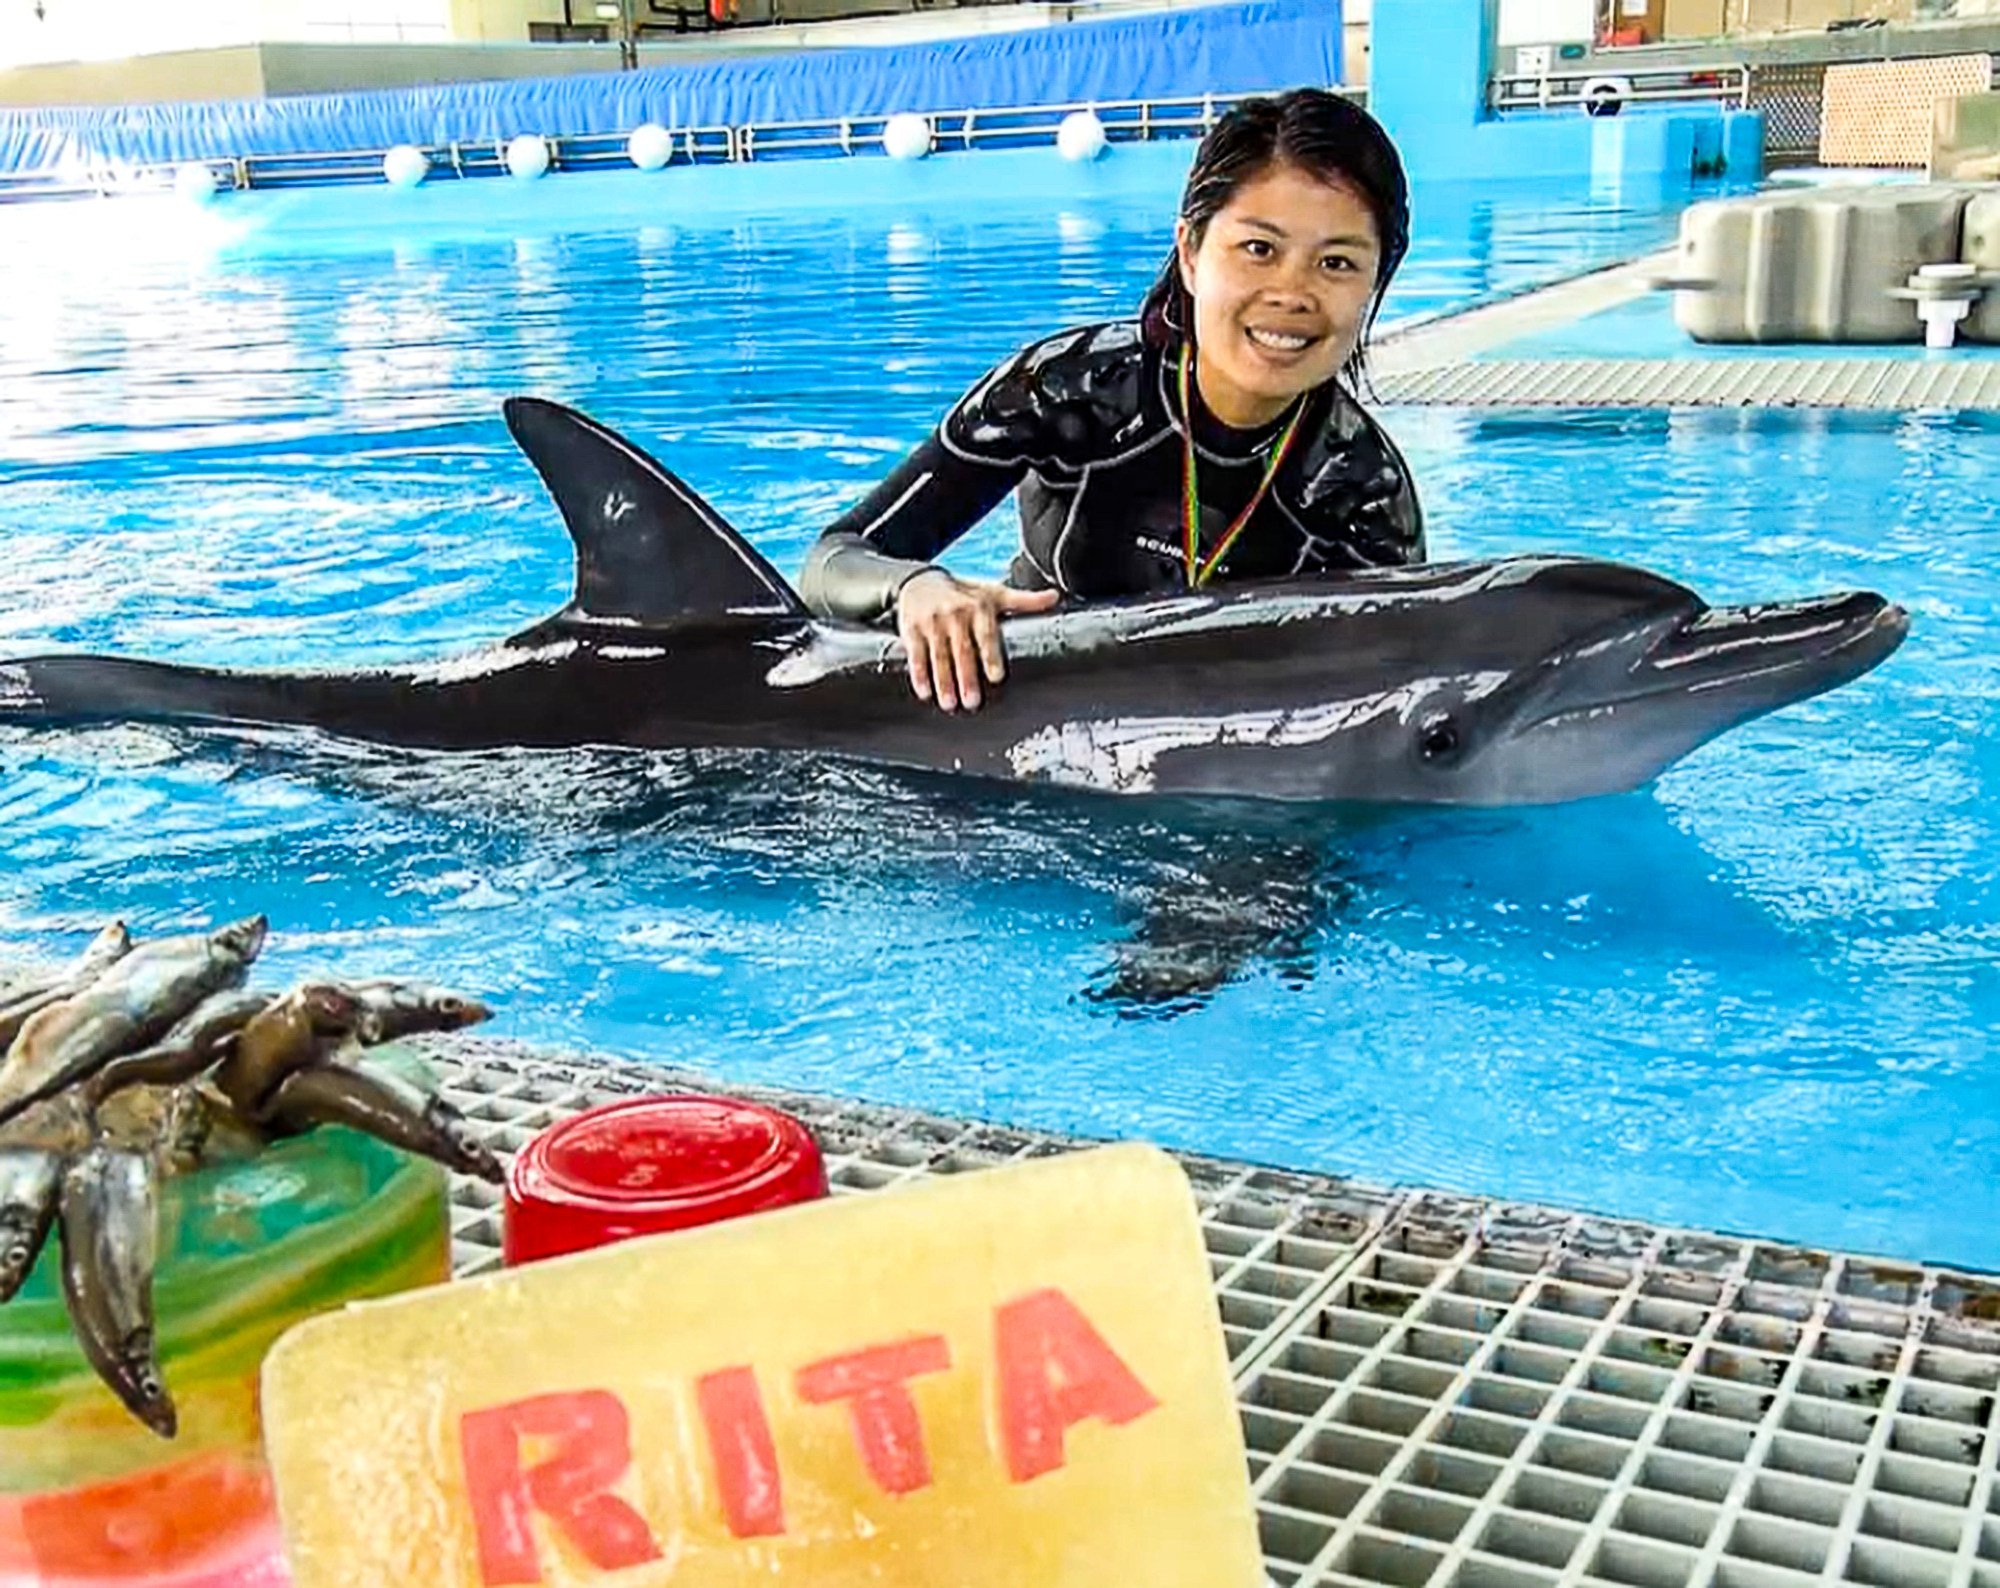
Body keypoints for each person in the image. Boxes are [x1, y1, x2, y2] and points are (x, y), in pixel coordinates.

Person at [799, 87, 1424, 713]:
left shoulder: (1361, 492)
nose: (1292, 294)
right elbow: (832, 561)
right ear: (1190, 252)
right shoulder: (1071, 390)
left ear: (1374, 284)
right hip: (1003, 716)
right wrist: (914, 586)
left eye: (1337, 263)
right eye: (1259, 249)